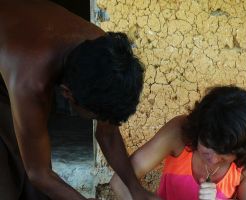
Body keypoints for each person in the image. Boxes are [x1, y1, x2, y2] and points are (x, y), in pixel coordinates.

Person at [0, 1, 160, 200]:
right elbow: (39, 173)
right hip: (14, 55)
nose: (105, 124)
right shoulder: (30, 82)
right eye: (97, 117)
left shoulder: (105, 53)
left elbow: (107, 135)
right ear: (67, 94)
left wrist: (136, 189)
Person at [110, 86, 246, 200]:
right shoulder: (179, 133)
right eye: (207, 148)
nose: (213, 160)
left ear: (242, 151)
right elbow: (119, 181)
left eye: (224, 156)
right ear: (198, 130)